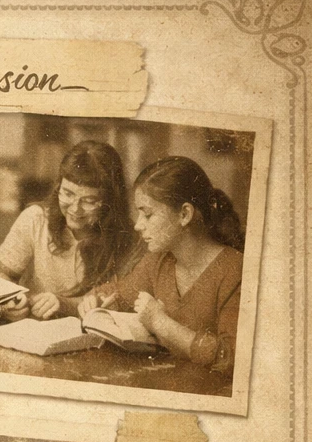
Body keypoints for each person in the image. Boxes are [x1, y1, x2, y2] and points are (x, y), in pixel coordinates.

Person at [83, 155, 245, 372]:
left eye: (147, 215)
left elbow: (232, 357)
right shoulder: (159, 262)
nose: (138, 226)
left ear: (185, 214)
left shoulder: (235, 269)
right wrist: (95, 301)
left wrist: (160, 323)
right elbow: (117, 294)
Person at [0, 141, 137, 320]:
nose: (75, 209)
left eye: (89, 201)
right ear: (58, 186)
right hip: (30, 327)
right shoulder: (35, 219)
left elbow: (117, 297)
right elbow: (1, 273)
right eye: (67, 193)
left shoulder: (129, 237)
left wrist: (63, 304)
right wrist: (9, 299)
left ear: (110, 201)